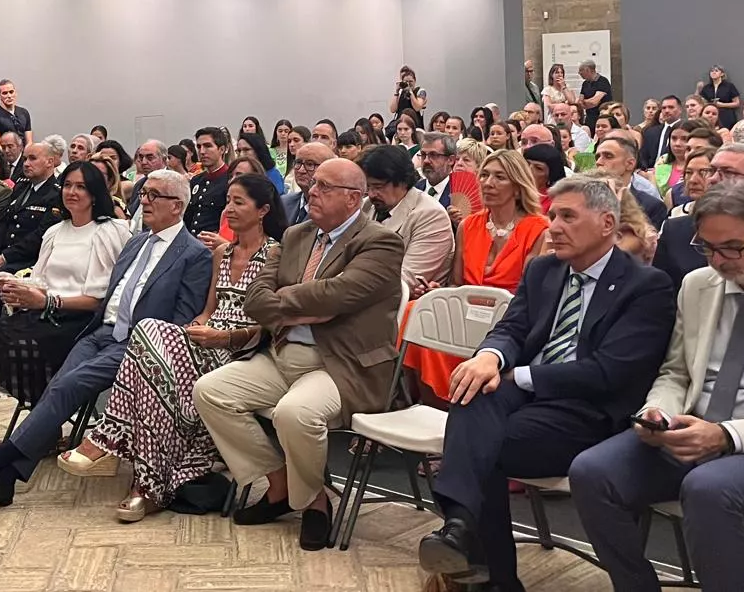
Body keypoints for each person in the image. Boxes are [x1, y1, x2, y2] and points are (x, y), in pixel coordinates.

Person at [569, 184, 744, 592]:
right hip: (693, 427)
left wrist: (725, 436)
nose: (719, 260)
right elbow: (676, 373)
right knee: (591, 471)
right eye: (706, 246)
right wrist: (658, 414)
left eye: (731, 247)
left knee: (708, 488)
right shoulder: (697, 284)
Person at [418, 175, 676, 589]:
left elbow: (608, 371)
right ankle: (462, 532)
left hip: (587, 410)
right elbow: (513, 329)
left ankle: (479, 560)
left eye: (568, 217)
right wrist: (488, 357)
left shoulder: (646, 286)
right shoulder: (544, 270)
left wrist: (515, 374)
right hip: (527, 399)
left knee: (482, 446)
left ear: (607, 223)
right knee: (470, 393)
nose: (553, 226)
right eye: (552, 215)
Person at [0, 169, 212, 506]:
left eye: (153, 196)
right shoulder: (136, 243)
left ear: (177, 206)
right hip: (102, 331)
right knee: (58, 386)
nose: (143, 201)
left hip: (140, 346)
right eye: (144, 194)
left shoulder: (193, 254)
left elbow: (178, 323)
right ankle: (5, 478)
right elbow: (113, 295)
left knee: (66, 386)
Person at [196, 158, 405, 550]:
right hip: (283, 353)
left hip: (341, 365)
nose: (312, 191)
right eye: (314, 184)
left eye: (326, 187)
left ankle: (314, 503)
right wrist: (310, 307)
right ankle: (279, 486)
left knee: (295, 413)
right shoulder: (296, 235)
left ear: (354, 198)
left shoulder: (380, 241)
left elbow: (339, 296)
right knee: (211, 391)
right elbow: (255, 301)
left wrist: (298, 301)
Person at [63, 174, 285, 520]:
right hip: (208, 339)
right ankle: (144, 486)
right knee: (150, 336)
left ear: (263, 210)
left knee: (150, 342)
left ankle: (111, 444)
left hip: (243, 348)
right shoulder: (222, 253)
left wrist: (223, 337)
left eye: (239, 202)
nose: (228, 209)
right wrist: (197, 326)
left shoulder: (275, 254)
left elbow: (271, 324)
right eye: (227, 200)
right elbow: (209, 309)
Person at [0, 162, 131, 462]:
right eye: (67, 186)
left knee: (26, 346)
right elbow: (40, 281)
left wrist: (45, 301)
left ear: (94, 193)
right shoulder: (54, 231)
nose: (72, 192)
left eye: (80, 187)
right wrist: (13, 285)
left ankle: (44, 428)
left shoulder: (109, 230)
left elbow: (100, 299)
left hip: (80, 320)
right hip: (43, 310)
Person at [404, 150, 549, 403]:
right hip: (467, 310)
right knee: (414, 310)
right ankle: (427, 403)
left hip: (508, 317)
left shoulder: (539, 229)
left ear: (517, 186)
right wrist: (437, 290)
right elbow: (456, 284)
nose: (488, 183)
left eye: (499, 177)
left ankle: (451, 404)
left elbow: (532, 297)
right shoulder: (468, 225)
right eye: (484, 175)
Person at [653, 143, 744, 289]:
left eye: (727, 172)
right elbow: (661, 291)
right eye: (712, 170)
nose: (713, 179)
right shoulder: (675, 231)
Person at [363, 145, 454, 289]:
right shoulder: (366, 206)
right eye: (368, 187)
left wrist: (346, 285)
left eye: (378, 187)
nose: (372, 194)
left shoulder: (431, 216)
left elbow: (406, 279)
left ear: (403, 182)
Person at [0, 141, 63, 275]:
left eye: (33, 158)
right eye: (25, 159)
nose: (26, 164)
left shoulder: (56, 195)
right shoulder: (21, 187)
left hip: (27, 262)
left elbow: (40, 235)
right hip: (1, 256)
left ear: (50, 162)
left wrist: (5, 257)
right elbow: (2, 222)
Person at [186, 126, 232, 235]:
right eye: (199, 146)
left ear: (222, 149)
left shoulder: (231, 180)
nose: (202, 151)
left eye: (207, 146)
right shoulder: (196, 180)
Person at [283, 141, 331, 225]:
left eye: (310, 164)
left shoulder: (332, 210)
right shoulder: (284, 202)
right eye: (298, 163)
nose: (301, 170)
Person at [0, 78, 32, 150]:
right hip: (6, 157)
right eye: (5, 93)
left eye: (11, 92)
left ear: (15, 93)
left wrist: (26, 156)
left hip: (24, 156)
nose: (9, 96)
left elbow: (29, 142)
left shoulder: (24, 112)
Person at [699, 65, 743, 129]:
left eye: (716, 71)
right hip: (711, 117)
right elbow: (701, 102)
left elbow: (737, 103)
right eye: (712, 71)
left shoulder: (729, 86)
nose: (714, 72)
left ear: (722, 74)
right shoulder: (706, 88)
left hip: (726, 116)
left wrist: (722, 105)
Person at [578, 60, 613, 128]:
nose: (579, 73)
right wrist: (586, 102)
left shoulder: (603, 81)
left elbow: (594, 102)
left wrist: (585, 101)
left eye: (581, 70)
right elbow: (580, 103)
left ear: (587, 70)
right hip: (589, 119)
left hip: (602, 118)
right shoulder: (585, 84)